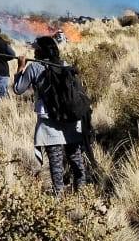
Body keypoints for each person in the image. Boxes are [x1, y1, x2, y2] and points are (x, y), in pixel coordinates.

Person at [13, 36, 87, 196]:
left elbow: (18, 89)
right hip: (70, 117)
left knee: (55, 160)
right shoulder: (65, 64)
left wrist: (20, 67)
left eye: (35, 48)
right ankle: (83, 193)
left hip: (48, 120)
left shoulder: (34, 67)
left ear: (39, 51)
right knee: (75, 157)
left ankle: (58, 195)